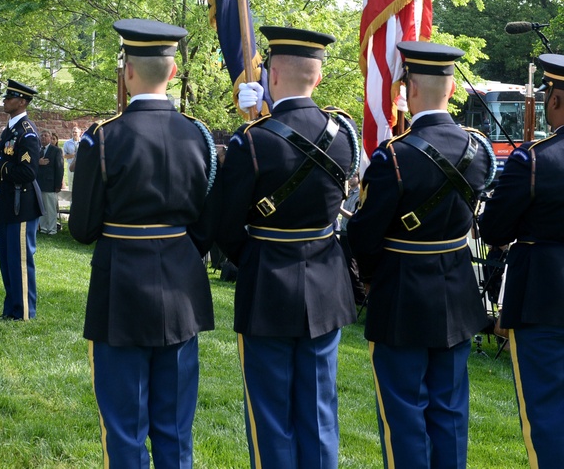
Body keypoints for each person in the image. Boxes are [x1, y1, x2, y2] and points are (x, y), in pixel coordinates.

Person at [70, 19, 216, 468]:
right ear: (172, 73)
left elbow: (83, 227)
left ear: (127, 71)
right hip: (181, 291)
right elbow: (207, 224)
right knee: (174, 427)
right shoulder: (200, 135)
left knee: (124, 428)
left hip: (121, 290)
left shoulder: (104, 137)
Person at [211, 26, 358, 469]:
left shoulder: (252, 140)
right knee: (318, 411)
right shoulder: (343, 134)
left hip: (267, 283)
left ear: (272, 75)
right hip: (326, 282)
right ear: (316, 78)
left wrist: (252, 256)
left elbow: (224, 223)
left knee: (271, 414)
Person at [349, 42, 494, 469]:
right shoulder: (479, 150)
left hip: (401, 293)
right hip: (456, 291)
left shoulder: (395, 156)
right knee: (449, 412)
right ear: (450, 90)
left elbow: (364, 235)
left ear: (408, 89)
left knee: (404, 412)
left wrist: (371, 279)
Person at [479, 53, 564, 466]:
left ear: (556, 101)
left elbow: (493, 230)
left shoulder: (532, 160)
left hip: (542, 300)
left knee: (546, 413)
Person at [0, 79, 42, 321]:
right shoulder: (10, 130)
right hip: (8, 201)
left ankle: (25, 311)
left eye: (11, 97)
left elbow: (28, 173)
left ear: (23, 102)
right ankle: (11, 309)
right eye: (6, 96)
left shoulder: (27, 132)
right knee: (7, 260)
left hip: (22, 205)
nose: (5, 100)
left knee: (19, 260)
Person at [36, 129, 64, 234]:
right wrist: (38, 162)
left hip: (50, 184)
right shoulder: (37, 150)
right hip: (38, 184)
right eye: (42, 135)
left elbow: (60, 168)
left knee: (51, 208)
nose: (43, 137)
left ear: (50, 137)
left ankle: (52, 229)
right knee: (41, 208)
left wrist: (58, 185)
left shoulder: (56, 150)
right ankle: (43, 228)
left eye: (46, 135)